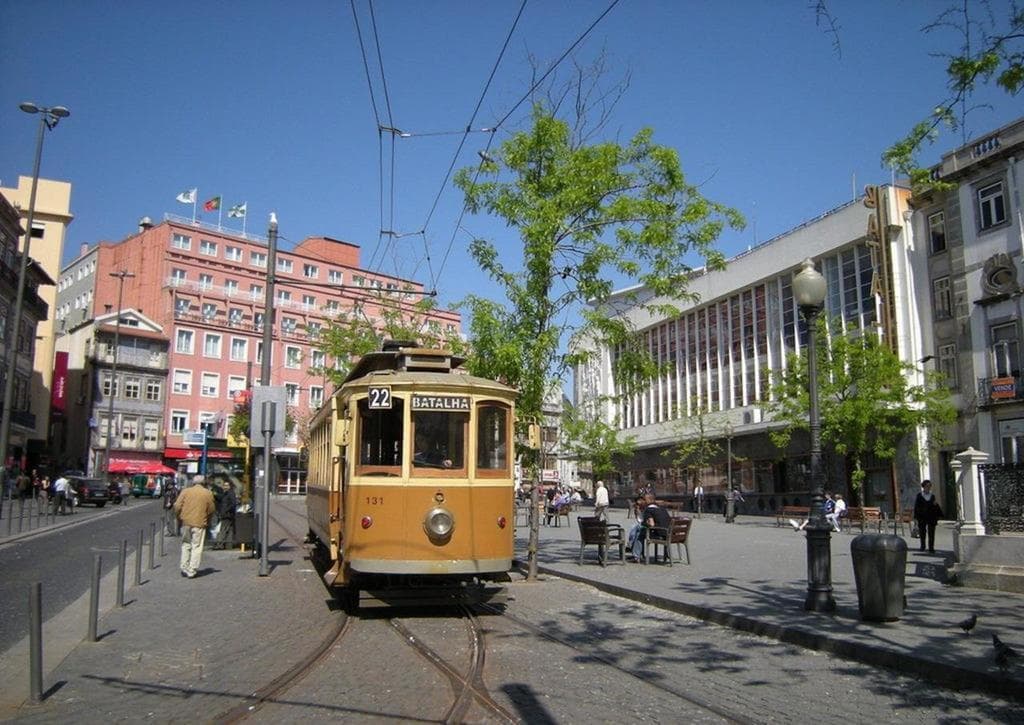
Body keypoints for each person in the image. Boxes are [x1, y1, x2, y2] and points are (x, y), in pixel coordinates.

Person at [173, 474, 216, 578]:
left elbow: (177, 506)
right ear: (203, 483)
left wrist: (179, 516)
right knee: (196, 546)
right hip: (199, 522)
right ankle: (192, 570)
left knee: (185, 544)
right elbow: (211, 509)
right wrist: (208, 519)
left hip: (186, 522)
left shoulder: (185, 491)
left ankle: (184, 567)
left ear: (193, 482)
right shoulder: (207, 493)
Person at [632, 493, 671, 561]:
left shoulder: (649, 510)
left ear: (649, 500)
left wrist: (646, 523)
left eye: (644, 499)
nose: (642, 501)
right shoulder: (661, 508)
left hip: (660, 534)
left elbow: (651, 524)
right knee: (638, 528)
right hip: (669, 533)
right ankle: (633, 549)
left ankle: (636, 556)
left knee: (639, 531)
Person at [913, 479, 943, 554]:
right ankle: (922, 546)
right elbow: (916, 507)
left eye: (930, 486)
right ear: (923, 487)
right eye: (927, 486)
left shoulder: (932, 496)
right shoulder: (919, 496)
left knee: (931, 533)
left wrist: (936, 507)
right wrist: (916, 517)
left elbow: (935, 506)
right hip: (922, 517)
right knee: (922, 532)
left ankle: (931, 548)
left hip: (931, 517)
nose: (928, 488)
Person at [215, 481, 238, 549]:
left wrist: (226, 511)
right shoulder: (226, 493)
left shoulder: (230, 493)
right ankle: (228, 545)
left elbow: (233, 504)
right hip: (228, 514)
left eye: (226, 485)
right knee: (229, 529)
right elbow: (221, 498)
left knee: (223, 529)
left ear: (230, 486)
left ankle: (219, 545)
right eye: (224, 485)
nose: (225, 487)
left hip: (227, 515)